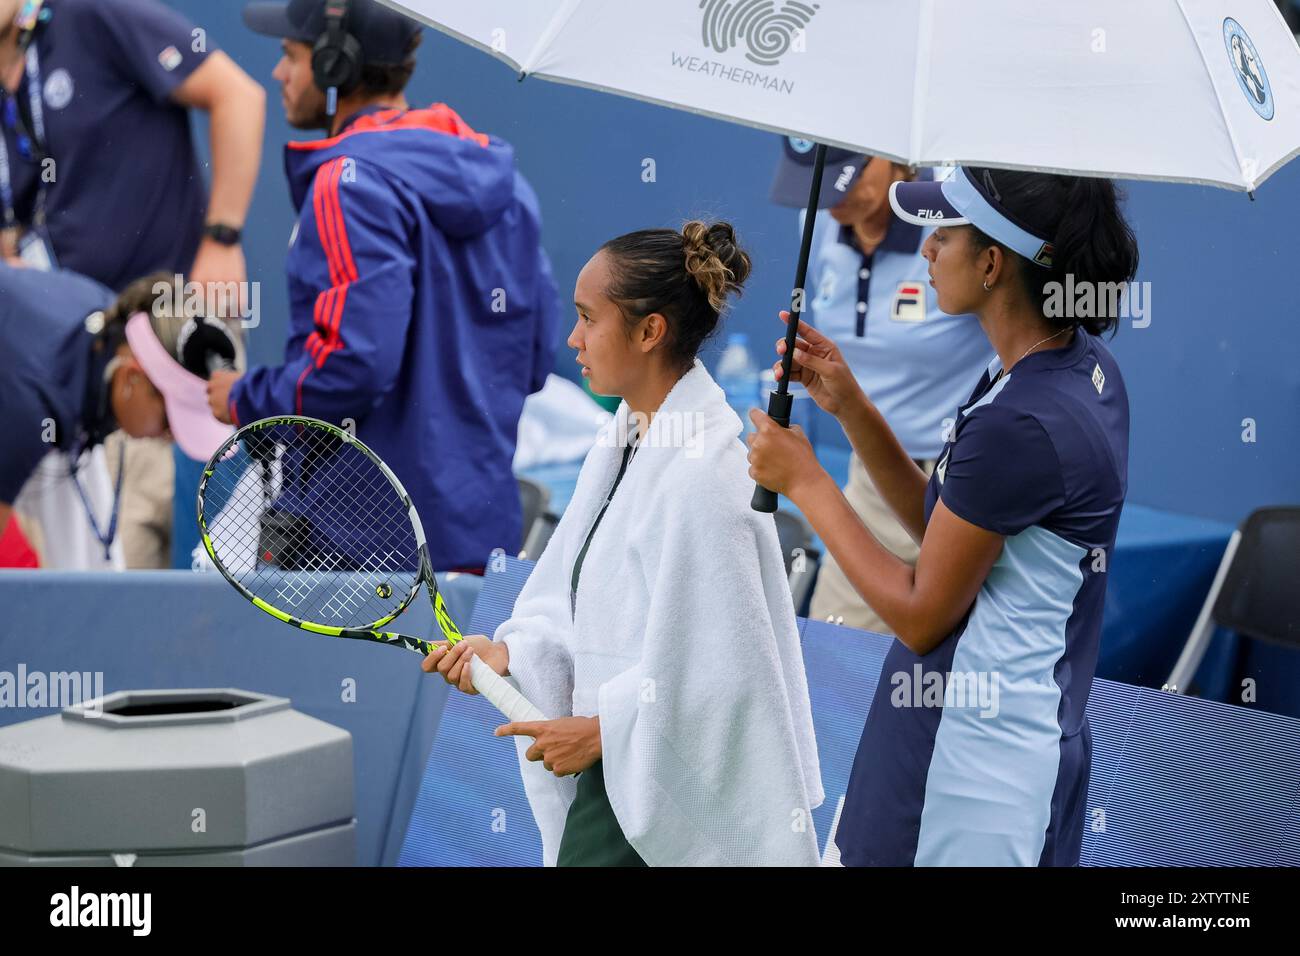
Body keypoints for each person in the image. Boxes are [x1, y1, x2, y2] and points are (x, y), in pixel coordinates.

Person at [747, 166, 1136, 866]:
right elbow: (946, 526)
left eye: (943, 234)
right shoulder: (1069, 368)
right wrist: (853, 408)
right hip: (974, 749)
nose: (924, 248)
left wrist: (807, 482)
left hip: (969, 776)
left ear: (993, 263)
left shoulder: (1022, 421)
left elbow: (923, 612)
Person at [426, 222, 823, 866]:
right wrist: (509, 653)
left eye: (587, 319)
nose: (572, 340)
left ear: (649, 332)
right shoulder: (621, 444)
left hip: (665, 807)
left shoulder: (706, 474)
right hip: (621, 785)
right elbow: (580, 608)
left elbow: (730, 672)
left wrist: (604, 731)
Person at [210, 0, 559, 573]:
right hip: (478, 545)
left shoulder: (344, 183)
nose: (278, 73)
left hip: (356, 550)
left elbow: (353, 364)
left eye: (289, 56)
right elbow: (537, 358)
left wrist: (246, 398)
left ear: (332, 64)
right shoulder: (511, 190)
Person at [0, 0, 265, 569]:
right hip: (81, 382)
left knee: (204, 582)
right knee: (114, 591)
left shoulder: (91, 16)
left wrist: (222, 236)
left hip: (164, 352)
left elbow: (239, 95)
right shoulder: (11, 78)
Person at [771, 139, 992, 632]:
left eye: (849, 177)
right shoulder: (820, 221)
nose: (835, 199)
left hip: (966, 479)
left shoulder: (956, 221)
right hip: (873, 472)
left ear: (899, 157)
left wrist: (806, 480)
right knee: (836, 649)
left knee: (952, 659)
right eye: (821, 186)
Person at [0, 266, 236, 569]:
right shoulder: (30, 408)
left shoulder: (112, 320)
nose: (171, 437)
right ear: (130, 378)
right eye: (169, 421)